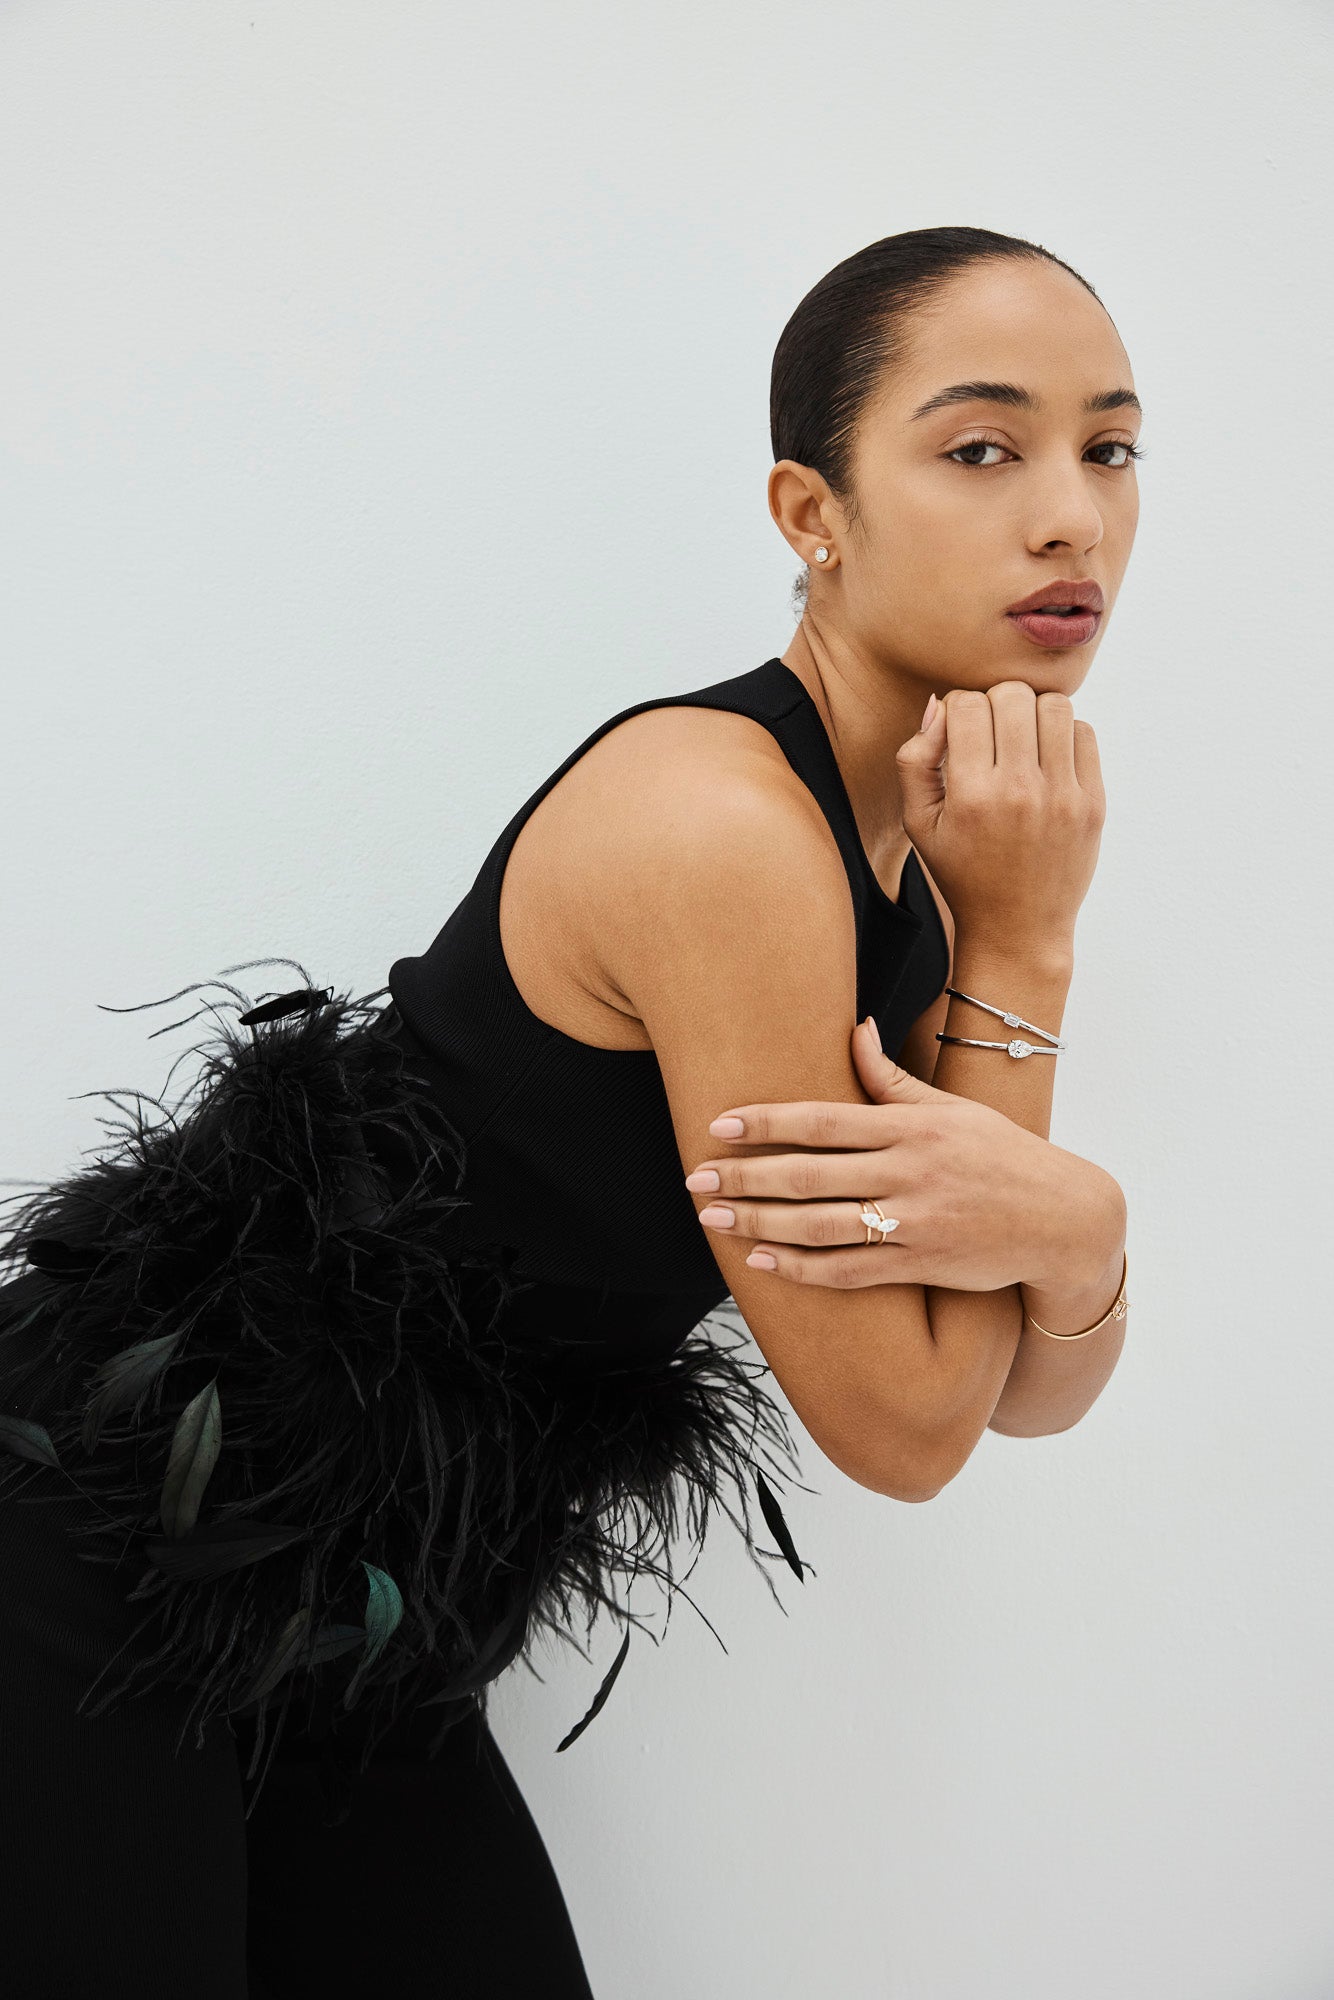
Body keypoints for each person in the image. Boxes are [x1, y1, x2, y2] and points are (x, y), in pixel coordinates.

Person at [0, 224, 1132, 1996]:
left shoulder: (912, 850)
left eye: (1109, 448)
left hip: (360, 1600)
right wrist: (1033, 959)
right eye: (980, 447)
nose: (1069, 515)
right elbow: (909, 1422)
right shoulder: (729, 831)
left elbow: (1017, 1385)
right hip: (88, 1546)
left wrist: (1070, 1241)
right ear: (808, 510)